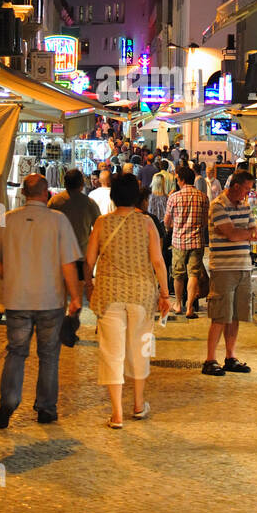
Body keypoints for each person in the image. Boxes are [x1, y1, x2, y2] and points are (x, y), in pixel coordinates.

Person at [0, 174, 81, 427]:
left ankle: (9, 401)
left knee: (16, 352)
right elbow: (68, 263)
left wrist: (12, 277)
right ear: (45, 192)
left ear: (25, 193)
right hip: (50, 299)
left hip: (17, 299)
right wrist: (75, 298)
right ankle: (46, 407)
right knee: (48, 355)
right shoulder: (58, 221)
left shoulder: (6, 220)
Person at [85, 174, 170, 428]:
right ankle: (138, 404)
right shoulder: (146, 224)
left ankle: (117, 413)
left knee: (112, 352)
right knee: (140, 348)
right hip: (142, 296)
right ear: (137, 197)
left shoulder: (102, 223)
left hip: (110, 294)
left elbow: (89, 261)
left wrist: (88, 285)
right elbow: (157, 261)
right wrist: (165, 294)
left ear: (113, 196)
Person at [203, 171, 257, 377]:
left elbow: (256, 232)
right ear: (236, 186)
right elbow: (233, 233)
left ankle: (230, 356)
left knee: (235, 315)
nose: (248, 193)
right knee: (220, 315)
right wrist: (242, 234)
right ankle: (210, 359)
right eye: (246, 188)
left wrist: (238, 233)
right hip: (223, 268)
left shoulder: (244, 206)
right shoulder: (217, 205)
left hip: (244, 267)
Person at [164, 165, 208, 319]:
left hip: (179, 242)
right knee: (193, 274)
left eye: (177, 178)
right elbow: (204, 222)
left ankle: (177, 304)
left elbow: (167, 221)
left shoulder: (174, 197)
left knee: (178, 274)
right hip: (197, 241)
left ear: (181, 180)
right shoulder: (203, 197)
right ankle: (189, 307)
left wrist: (174, 226)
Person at [50, 168, 99, 283]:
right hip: (81, 255)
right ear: (81, 184)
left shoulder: (54, 202)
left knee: (60, 289)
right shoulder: (89, 203)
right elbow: (98, 225)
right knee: (79, 289)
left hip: (59, 254)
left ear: (65, 183)